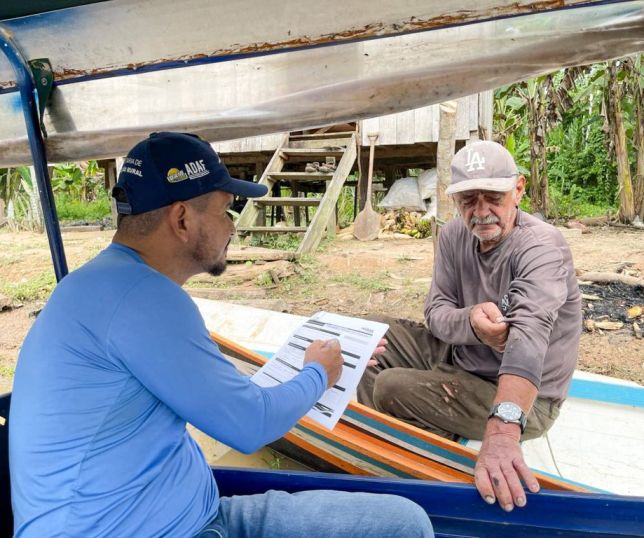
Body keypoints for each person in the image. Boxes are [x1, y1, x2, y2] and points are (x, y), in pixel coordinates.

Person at [9, 132, 433, 538]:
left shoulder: (100, 284)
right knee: (405, 525)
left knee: (400, 520)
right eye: (225, 210)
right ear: (182, 219)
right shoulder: (144, 298)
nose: (232, 227)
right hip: (172, 529)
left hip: (182, 513)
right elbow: (251, 424)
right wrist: (319, 374)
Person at [358, 140, 581, 513]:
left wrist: (503, 433)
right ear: (455, 201)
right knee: (371, 334)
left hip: (527, 397)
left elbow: (528, 338)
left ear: (518, 190)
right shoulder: (452, 235)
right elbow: (436, 311)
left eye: (493, 197)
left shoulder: (541, 247)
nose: (481, 212)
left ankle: (419, 459)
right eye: (468, 200)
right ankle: (382, 445)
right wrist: (472, 323)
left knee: (391, 386)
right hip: (463, 356)